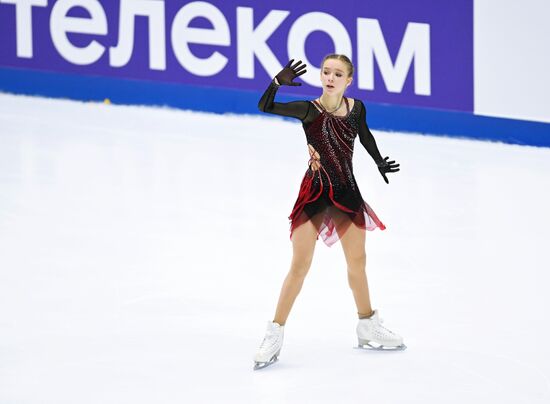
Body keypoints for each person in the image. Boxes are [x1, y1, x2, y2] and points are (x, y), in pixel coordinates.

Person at [253, 55, 405, 370]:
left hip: (347, 192)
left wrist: (378, 160)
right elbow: (265, 107)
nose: (330, 77)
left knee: (358, 262)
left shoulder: (357, 108)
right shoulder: (309, 109)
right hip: (315, 193)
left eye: (338, 74)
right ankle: (275, 332)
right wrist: (276, 82)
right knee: (299, 265)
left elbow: (364, 135)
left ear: (349, 80)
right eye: (326, 72)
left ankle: (367, 325)